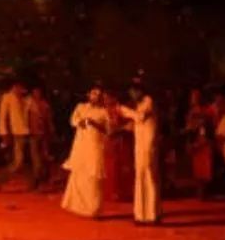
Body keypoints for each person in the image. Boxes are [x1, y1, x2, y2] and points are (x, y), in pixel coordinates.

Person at [61, 86, 110, 218]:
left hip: (95, 146)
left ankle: (94, 209)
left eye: (99, 94)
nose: (96, 96)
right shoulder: (81, 107)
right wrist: (80, 122)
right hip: (81, 145)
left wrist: (96, 125)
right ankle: (78, 206)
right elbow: (73, 120)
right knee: (79, 174)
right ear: (88, 94)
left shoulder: (104, 112)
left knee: (93, 176)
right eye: (94, 93)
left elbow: (108, 130)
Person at [119, 81, 162, 225]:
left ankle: (152, 214)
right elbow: (136, 123)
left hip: (148, 146)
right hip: (140, 146)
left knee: (149, 176)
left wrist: (124, 110)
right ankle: (140, 214)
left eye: (134, 91)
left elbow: (140, 117)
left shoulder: (148, 101)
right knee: (140, 177)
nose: (132, 94)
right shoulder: (138, 105)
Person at [0, 81, 37, 191]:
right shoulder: (7, 98)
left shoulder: (26, 99)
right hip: (17, 133)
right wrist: (4, 133)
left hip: (29, 132)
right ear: (14, 87)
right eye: (20, 88)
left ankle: (33, 184)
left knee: (29, 160)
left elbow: (34, 113)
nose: (22, 90)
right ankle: (1, 179)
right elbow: (3, 117)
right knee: (18, 161)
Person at [184, 89, 214, 199]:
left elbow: (210, 125)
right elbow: (189, 128)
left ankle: (204, 191)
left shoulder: (206, 111)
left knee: (205, 168)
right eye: (192, 97)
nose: (194, 99)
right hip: (196, 142)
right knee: (197, 168)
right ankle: (200, 191)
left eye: (196, 97)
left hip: (204, 142)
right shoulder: (191, 113)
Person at [27, 86, 54, 187]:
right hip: (33, 133)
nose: (37, 94)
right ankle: (37, 179)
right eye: (35, 92)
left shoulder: (44, 104)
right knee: (35, 158)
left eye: (38, 92)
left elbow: (48, 118)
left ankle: (46, 176)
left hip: (43, 133)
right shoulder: (29, 105)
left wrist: (51, 129)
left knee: (45, 155)